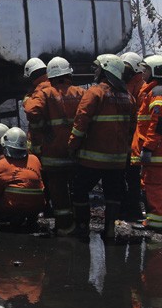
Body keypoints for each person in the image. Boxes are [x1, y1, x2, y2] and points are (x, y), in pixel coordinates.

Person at [68, 54, 136, 240]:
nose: (95, 71)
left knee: (79, 189)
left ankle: (82, 227)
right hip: (117, 160)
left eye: (97, 68)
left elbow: (80, 122)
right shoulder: (128, 97)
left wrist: (73, 146)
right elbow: (132, 127)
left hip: (93, 159)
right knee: (113, 194)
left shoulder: (95, 93)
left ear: (106, 69)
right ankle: (110, 230)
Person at [23, 56, 85, 235]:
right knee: (78, 191)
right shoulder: (80, 93)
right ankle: (81, 226)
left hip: (53, 153)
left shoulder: (43, 93)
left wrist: (44, 127)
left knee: (59, 193)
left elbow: (32, 111)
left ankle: (64, 227)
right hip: (76, 152)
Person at [130, 55, 162, 231]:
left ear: (157, 71)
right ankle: (161, 217)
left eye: (147, 69)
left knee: (154, 186)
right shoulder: (161, 90)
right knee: (161, 186)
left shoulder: (158, 92)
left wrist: (148, 148)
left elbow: (159, 121)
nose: (143, 73)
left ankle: (155, 223)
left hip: (158, 151)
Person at [0, 127, 45, 229]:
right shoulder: (35, 159)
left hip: (11, 208)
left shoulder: (0, 165)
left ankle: (10, 217)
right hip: (37, 207)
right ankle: (30, 218)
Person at [120, 51, 146, 221]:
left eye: (126, 68)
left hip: (134, 141)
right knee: (125, 175)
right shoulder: (129, 84)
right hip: (125, 140)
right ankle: (127, 209)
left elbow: (139, 117)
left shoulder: (142, 88)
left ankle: (134, 210)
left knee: (133, 176)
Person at [23, 57, 50, 155]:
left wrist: (26, 100)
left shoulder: (38, 91)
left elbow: (31, 111)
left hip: (42, 148)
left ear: (31, 76)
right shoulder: (54, 87)